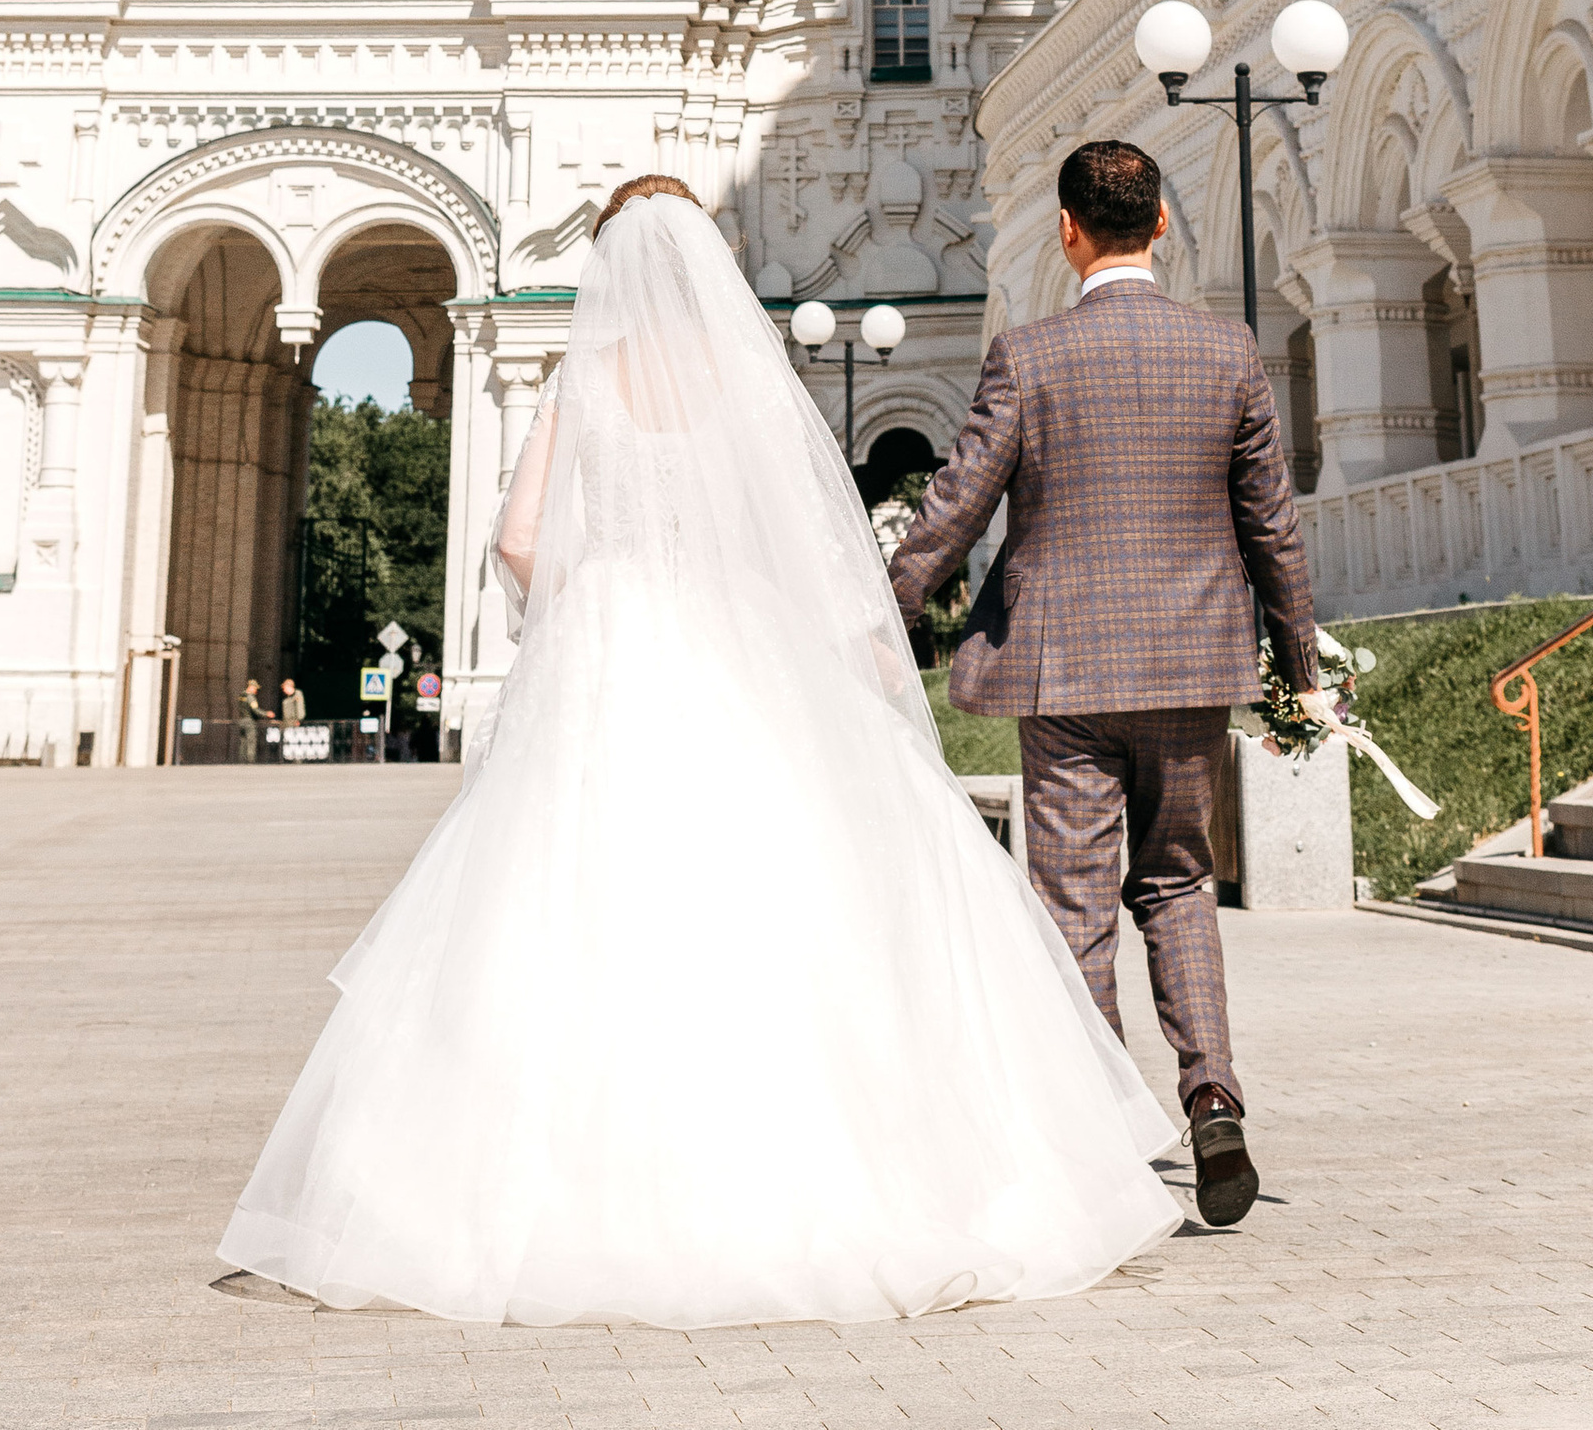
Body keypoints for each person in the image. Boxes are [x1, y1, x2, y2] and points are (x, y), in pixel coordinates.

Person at [219, 177, 1178, 1325]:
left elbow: (520, 542)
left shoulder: (584, 379)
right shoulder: (744, 378)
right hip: (741, 646)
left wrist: (582, 604)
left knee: (571, 902)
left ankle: (559, 1193)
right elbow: (806, 545)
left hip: (614, 651)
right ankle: (845, 1173)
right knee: (780, 891)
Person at [886, 137, 1329, 1236]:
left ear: (1066, 232)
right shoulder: (1225, 353)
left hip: (1066, 670)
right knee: (1178, 883)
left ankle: (1097, 1127)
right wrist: (1299, 669)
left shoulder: (1028, 356)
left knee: (1074, 904)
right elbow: (1271, 524)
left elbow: (956, 506)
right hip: (1190, 667)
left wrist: (879, 607)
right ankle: (1212, 1093)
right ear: (1164, 224)